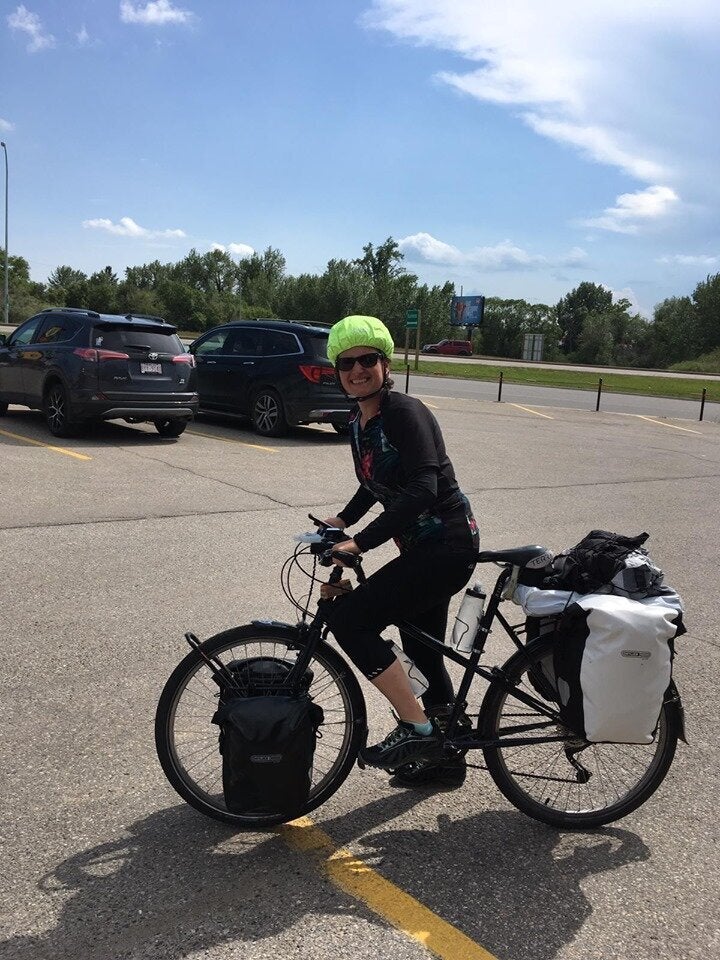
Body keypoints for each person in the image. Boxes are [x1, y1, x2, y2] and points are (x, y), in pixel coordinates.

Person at [321, 315, 479, 775]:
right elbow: (375, 482)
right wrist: (342, 521)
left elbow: (423, 488)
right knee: (424, 652)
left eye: (367, 360)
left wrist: (360, 543)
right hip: (423, 550)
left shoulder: (404, 413)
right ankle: (444, 760)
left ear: (385, 364)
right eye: (346, 363)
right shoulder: (360, 420)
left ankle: (416, 729)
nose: (357, 370)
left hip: (446, 545)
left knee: (352, 621)